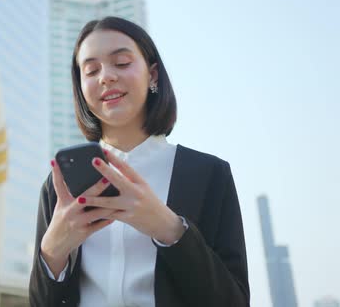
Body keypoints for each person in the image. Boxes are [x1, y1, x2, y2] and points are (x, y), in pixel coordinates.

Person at [29, 16, 249, 307]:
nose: (106, 76)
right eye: (91, 70)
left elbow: (233, 301)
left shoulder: (209, 174)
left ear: (153, 75)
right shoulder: (60, 185)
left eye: (121, 63)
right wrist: (52, 252)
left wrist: (168, 227)